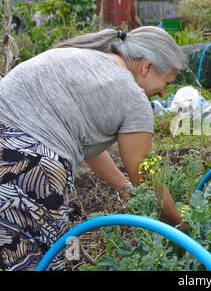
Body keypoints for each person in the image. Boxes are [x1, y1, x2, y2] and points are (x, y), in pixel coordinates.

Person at [0, 26, 185, 271]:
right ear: (147, 67)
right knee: (37, 261)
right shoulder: (133, 98)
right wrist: (180, 224)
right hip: (28, 169)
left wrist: (123, 187)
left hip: (11, 152)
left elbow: (89, 145)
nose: (164, 92)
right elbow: (144, 174)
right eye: (166, 82)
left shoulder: (83, 58)